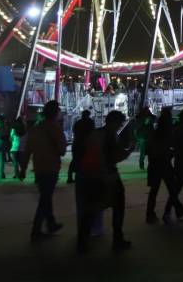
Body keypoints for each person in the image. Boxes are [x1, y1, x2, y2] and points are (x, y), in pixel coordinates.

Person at [76, 110, 134, 252]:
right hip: (106, 176)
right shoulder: (109, 135)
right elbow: (114, 156)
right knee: (118, 206)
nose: (120, 126)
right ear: (114, 122)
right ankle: (117, 239)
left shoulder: (95, 133)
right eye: (120, 123)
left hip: (90, 176)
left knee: (91, 209)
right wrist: (129, 150)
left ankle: (82, 241)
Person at [26, 101, 66, 242]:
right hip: (51, 168)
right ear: (55, 113)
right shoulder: (56, 128)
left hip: (39, 167)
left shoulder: (36, 128)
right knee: (45, 199)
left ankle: (51, 224)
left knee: (46, 197)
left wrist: (23, 168)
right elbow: (62, 150)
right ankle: (36, 230)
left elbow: (27, 149)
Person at [146, 108, 183, 224]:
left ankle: (151, 214)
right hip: (163, 164)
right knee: (171, 188)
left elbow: (151, 149)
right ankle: (177, 210)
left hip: (156, 164)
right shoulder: (166, 133)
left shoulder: (156, 133)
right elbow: (167, 148)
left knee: (157, 190)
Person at [67, 110, 95, 184]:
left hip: (77, 144)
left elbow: (75, 131)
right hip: (84, 144)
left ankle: (71, 177)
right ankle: (82, 177)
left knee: (75, 161)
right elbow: (92, 132)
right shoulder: (90, 122)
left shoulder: (78, 122)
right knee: (83, 161)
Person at [10, 116, 28, 180]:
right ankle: (22, 174)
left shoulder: (13, 130)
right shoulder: (25, 131)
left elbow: (11, 138)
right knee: (21, 162)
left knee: (15, 163)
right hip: (22, 148)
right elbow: (27, 139)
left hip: (14, 148)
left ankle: (16, 174)